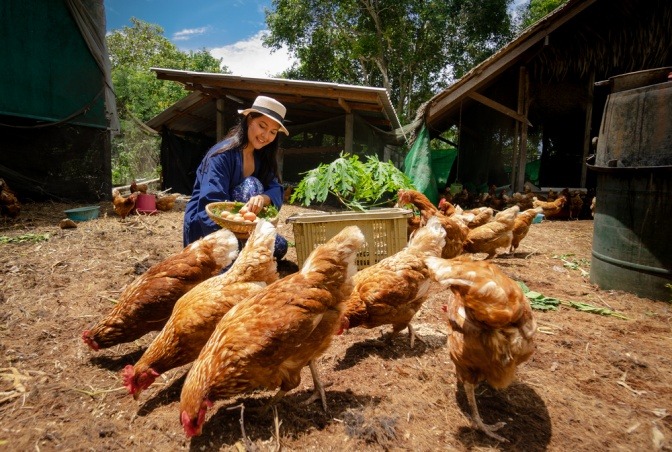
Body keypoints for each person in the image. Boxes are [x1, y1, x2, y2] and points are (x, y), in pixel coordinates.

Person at [183, 95, 289, 259]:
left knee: (281, 246)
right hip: (209, 229)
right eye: (262, 126)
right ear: (249, 120)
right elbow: (211, 205)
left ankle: (243, 248)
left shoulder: (262, 157)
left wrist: (263, 198)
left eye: (273, 132)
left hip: (243, 228)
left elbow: (276, 189)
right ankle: (235, 252)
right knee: (250, 185)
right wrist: (233, 235)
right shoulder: (221, 156)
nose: (266, 135)